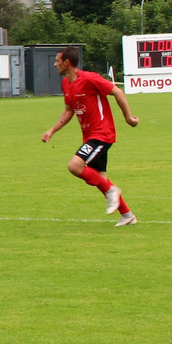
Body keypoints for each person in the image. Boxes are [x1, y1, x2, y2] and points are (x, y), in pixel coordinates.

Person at [41, 46, 139, 227]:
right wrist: (52, 130)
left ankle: (112, 191)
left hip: (102, 133)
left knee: (75, 166)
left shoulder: (89, 79)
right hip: (89, 136)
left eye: (57, 61)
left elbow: (117, 92)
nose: (55, 64)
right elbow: (68, 111)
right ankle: (127, 215)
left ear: (66, 62)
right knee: (98, 178)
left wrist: (128, 118)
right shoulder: (66, 84)